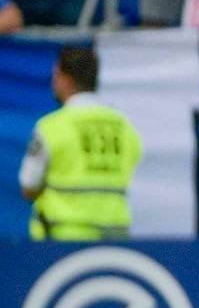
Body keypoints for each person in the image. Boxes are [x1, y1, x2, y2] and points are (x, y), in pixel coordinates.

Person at [18, 47, 141, 242]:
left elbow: (29, 186)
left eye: (56, 75)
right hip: (114, 238)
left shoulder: (51, 127)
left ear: (65, 79)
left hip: (61, 239)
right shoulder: (124, 127)